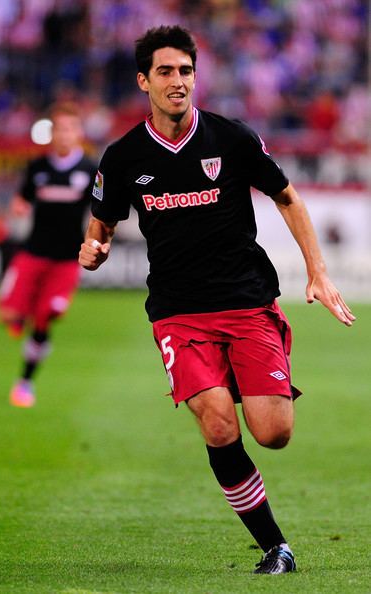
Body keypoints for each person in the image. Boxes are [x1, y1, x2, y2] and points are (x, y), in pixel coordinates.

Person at [79, 26, 356, 574]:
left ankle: (245, 376)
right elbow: (102, 223)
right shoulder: (124, 155)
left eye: (185, 71)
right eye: (165, 71)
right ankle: (276, 546)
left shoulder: (232, 138)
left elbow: (288, 197)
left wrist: (318, 273)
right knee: (217, 425)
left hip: (247, 302)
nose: (178, 81)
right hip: (179, 313)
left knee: (273, 433)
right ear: (144, 81)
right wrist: (96, 247)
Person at [0, 102, 96, 407]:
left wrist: (98, 238)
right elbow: (22, 197)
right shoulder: (37, 167)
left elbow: (101, 210)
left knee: (48, 315)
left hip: (66, 260)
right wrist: (17, 206)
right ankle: (24, 320)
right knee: (9, 315)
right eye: (58, 129)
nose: (64, 135)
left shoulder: (90, 170)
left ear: (78, 133)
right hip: (33, 253)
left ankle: (25, 382)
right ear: (51, 134)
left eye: (69, 129)